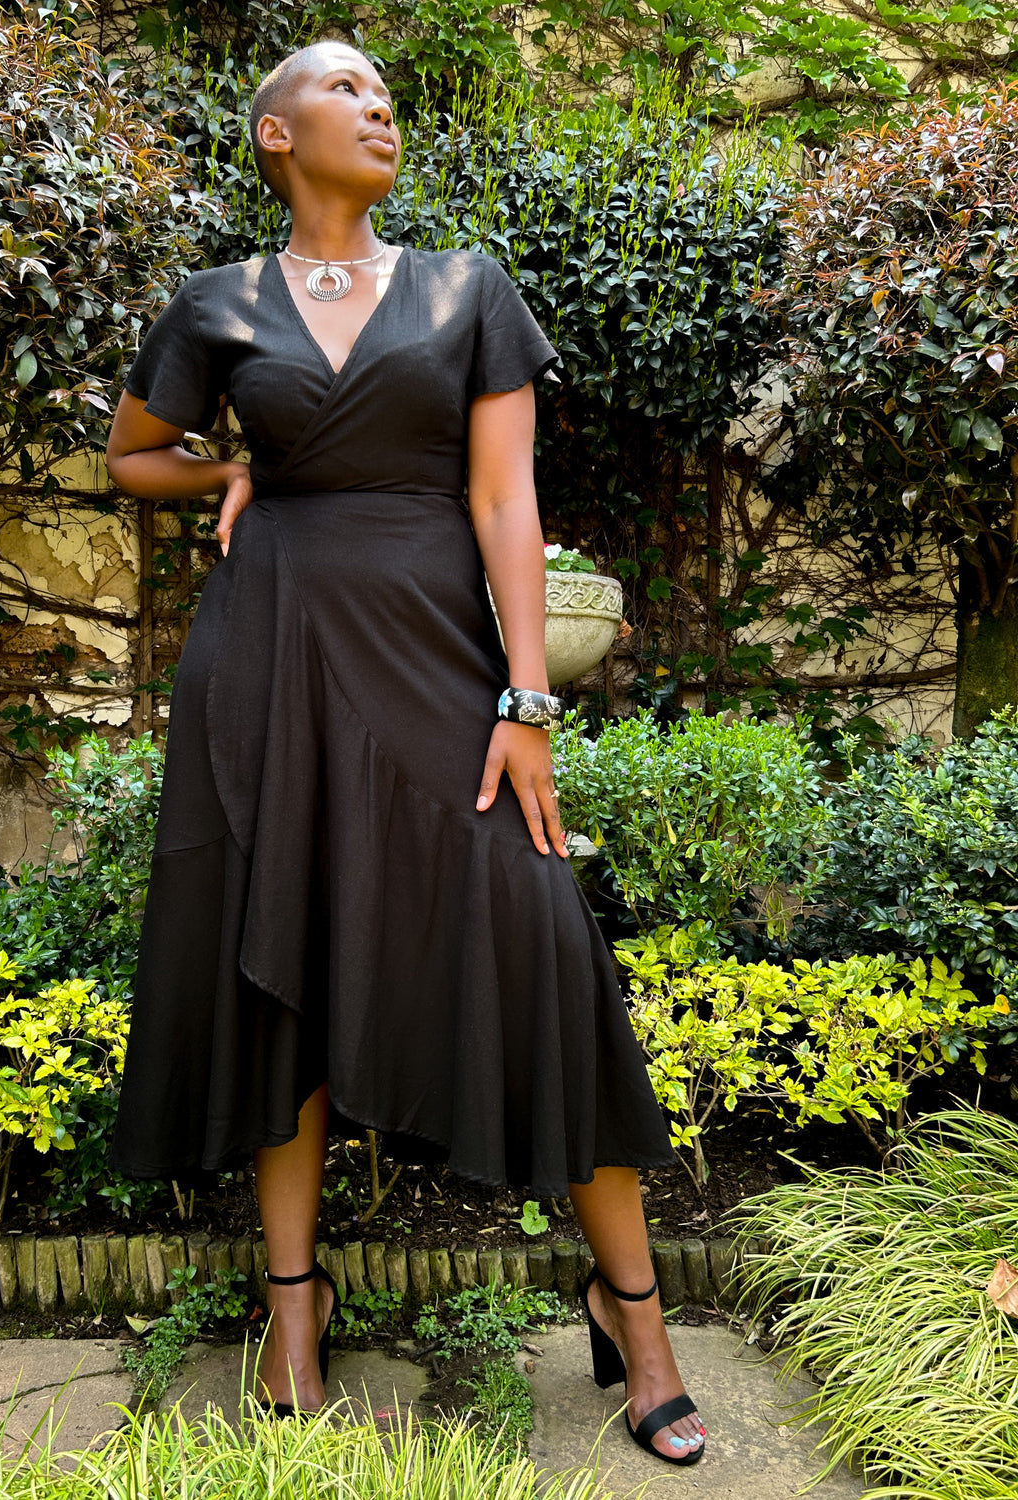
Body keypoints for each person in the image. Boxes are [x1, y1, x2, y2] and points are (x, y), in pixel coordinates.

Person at [104, 39, 706, 1464]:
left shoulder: (465, 290)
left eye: (386, 93)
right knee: (285, 968)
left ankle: (637, 1309)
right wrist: (228, 468)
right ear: (274, 132)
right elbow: (131, 452)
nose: (378, 107)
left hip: (440, 670)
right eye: (346, 88)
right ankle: (294, 1314)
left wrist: (525, 703)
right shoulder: (217, 306)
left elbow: (506, 502)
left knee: (542, 945)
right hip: (269, 666)